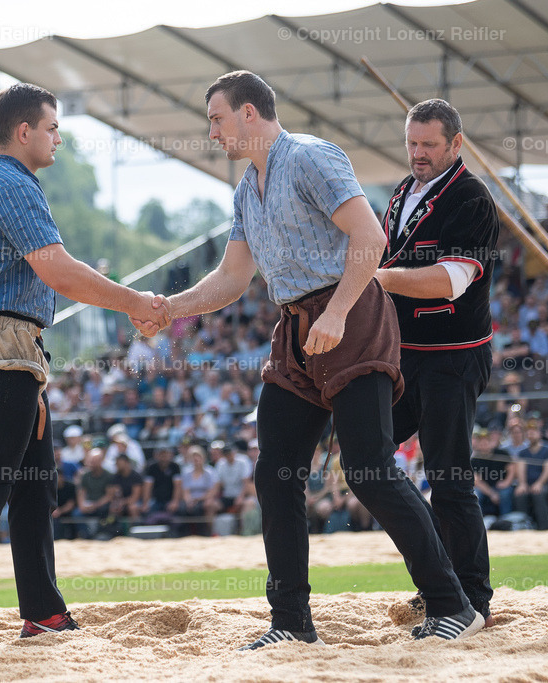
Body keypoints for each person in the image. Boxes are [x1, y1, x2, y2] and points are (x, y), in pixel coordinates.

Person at [139, 72, 481, 647]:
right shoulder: (246, 189)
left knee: (369, 471)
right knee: (275, 473)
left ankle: (453, 604)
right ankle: (292, 623)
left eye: (217, 118)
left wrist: (338, 312)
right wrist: (170, 308)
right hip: (296, 329)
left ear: (250, 113)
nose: (213, 132)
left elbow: (369, 238)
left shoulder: (311, 157)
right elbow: (231, 278)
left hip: (352, 317)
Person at [0, 82, 169, 645]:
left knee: (34, 488)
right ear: (23, 131)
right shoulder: (11, 183)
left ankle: (42, 611)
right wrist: (135, 302)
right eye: (52, 128)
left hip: (8, 348)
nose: (59, 138)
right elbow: (58, 271)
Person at [373, 98, 501, 631]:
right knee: (366, 459)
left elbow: (450, 280)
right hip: (404, 357)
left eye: (429, 144)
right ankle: (440, 581)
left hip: (453, 358)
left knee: (449, 480)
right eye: (412, 143)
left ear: (456, 144)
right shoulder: (402, 192)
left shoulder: (472, 198)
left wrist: (376, 278)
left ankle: (471, 598)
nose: (418, 153)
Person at [513, 420, 548, 530]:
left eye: (533, 432)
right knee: (520, 494)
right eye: (528, 432)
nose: (530, 435)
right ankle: (523, 526)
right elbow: (521, 469)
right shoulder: (523, 452)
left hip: (545, 484)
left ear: (539, 433)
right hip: (528, 484)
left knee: (539, 493)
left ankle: (545, 527)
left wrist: (539, 484)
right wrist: (522, 484)